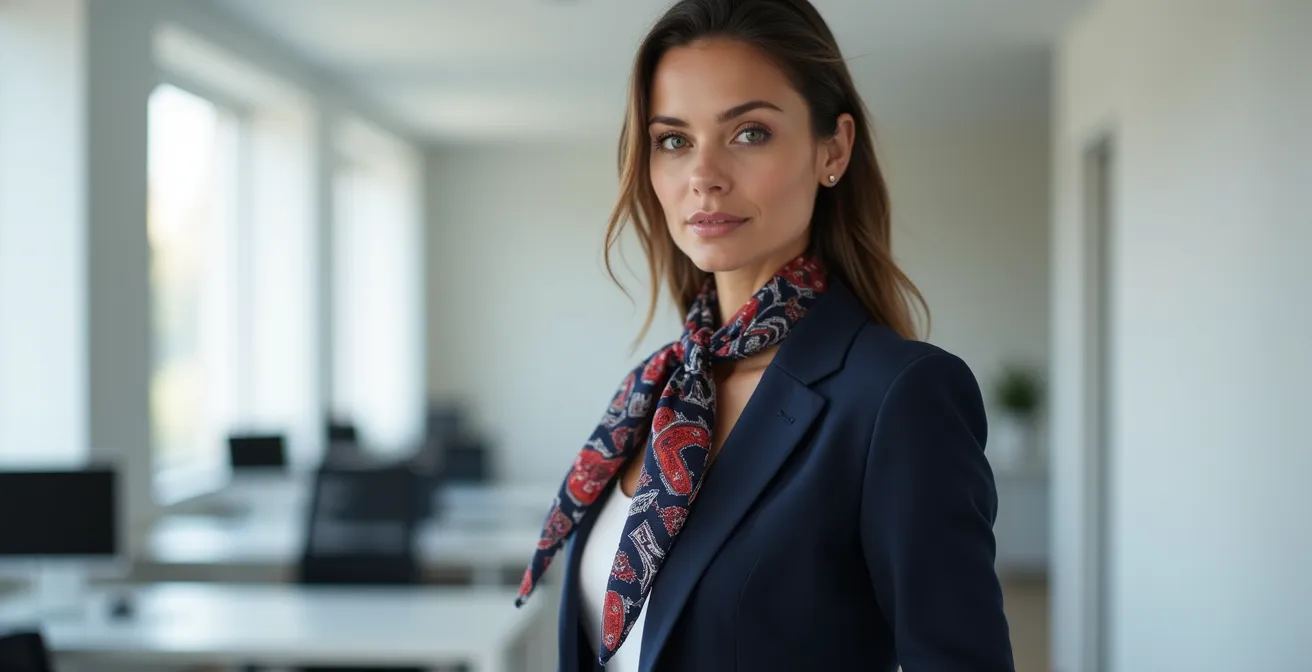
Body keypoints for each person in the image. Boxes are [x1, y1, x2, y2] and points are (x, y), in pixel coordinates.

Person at [515, 0, 1016, 670]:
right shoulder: (652, 394)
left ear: (832, 148)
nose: (704, 177)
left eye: (749, 133)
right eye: (673, 140)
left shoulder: (898, 397)